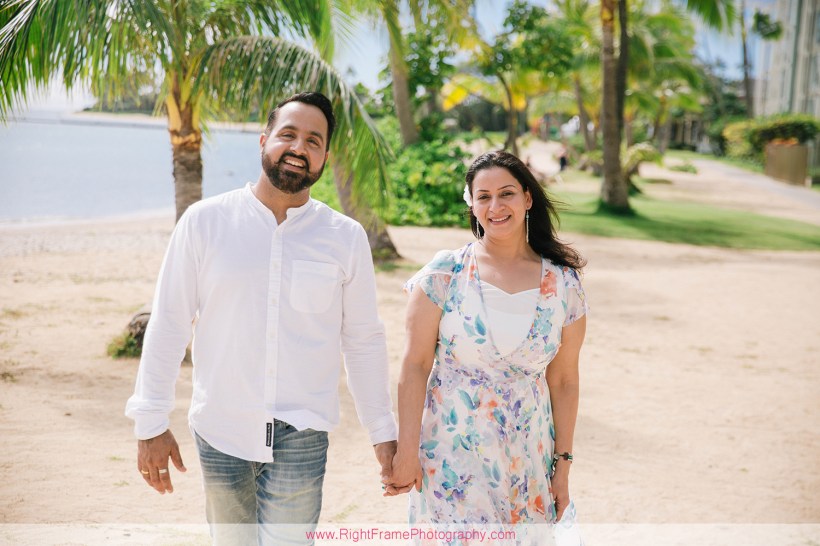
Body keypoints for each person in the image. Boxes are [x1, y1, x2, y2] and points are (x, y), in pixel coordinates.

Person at [125, 92, 397, 545]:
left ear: (325, 157)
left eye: (314, 141)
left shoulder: (344, 238)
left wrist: (383, 432)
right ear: (263, 139)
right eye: (288, 134)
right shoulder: (204, 221)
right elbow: (170, 322)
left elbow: (363, 340)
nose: (299, 148)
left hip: (304, 433)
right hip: (221, 428)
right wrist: (151, 421)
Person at [386, 151, 588, 542]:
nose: (495, 206)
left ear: (528, 198)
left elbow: (564, 380)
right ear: (472, 203)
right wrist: (406, 452)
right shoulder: (444, 274)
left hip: (529, 460)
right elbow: (414, 365)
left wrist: (562, 467)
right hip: (452, 458)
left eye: (506, 194)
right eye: (483, 196)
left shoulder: (565, 285)